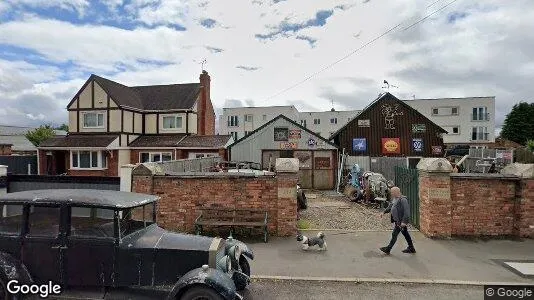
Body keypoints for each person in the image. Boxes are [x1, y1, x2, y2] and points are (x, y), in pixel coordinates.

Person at [379, 187, 416, 254]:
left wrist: (404, 222)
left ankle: (388, 249)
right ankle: (411, 248)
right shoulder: (395, 199)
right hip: (398, 221)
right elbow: (390, 206)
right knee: (405, 234)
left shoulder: (403, 200)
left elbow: (407, 212)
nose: (391, 193)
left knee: (394, 234)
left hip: (400, 222)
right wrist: (384, 212)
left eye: (392, 192)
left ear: (397, 192)